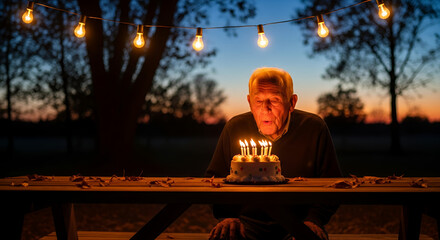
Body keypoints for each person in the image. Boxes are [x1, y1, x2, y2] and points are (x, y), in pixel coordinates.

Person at [205, 67, 341, 240]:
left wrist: (314, 220)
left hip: (298, 224)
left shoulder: (314, 128)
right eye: (258, 101)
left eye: (274, 100)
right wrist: (227, 216)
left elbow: (333, 183)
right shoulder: (235, 127)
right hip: (245, 225)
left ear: (292, 102)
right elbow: (213, 179)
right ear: (249, 102)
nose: (265, 108)